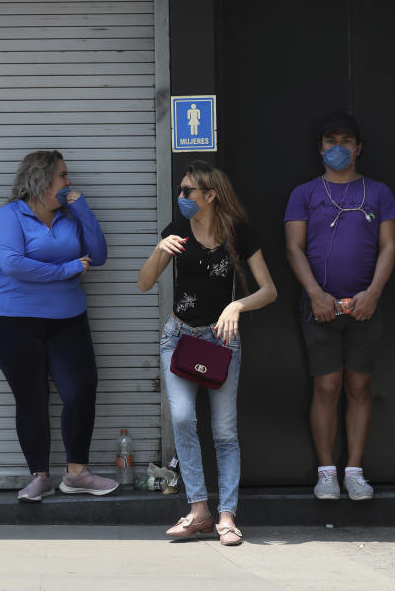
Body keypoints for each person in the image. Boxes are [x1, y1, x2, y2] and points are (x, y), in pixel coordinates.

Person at [138, 161, 276, 546]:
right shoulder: (177, 231)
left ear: (209, 195)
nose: (181, 197)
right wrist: (157, 249)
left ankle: (227, 516)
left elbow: (269, 290)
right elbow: (145, 282)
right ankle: (198, 510)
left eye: (187, 191)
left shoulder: (237, 232)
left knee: (224, 432)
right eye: (180, 190)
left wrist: (236, 307)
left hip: (220, 339)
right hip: (178, 337)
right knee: (182, 419)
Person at [0, 150, 116, 502]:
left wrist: (84, 211)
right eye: (62, 175)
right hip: (12, 319)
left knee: (80, 390)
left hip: (67, 317)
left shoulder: (72, 216)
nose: (68, 181)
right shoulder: (10, 215)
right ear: (40, 179)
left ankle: (77, 473)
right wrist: (66, 270)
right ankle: (39, 476)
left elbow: (99, 255)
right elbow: (12, 264)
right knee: (31, 397)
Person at [285, 111, 395, 502]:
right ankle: (326, 473)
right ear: (320, 148)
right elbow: (294, 247)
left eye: (345, 141)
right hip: (319, 306)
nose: (338, 148)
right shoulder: (304, 193)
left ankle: (354, 470)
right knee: (327, 386)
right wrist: (315, 293)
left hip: (367, 306)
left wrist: (374, 293)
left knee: (360, 386)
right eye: (330, 141)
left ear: (358, 148)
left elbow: (389, 246)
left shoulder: (379, 192)